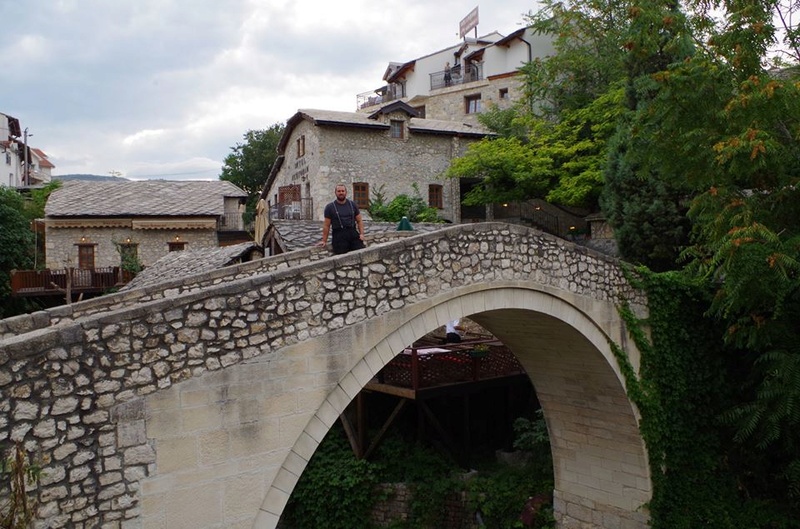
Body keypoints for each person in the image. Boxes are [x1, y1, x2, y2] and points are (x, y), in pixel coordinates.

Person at [319, 183, 366, 255]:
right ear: (335, 193)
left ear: (346, 192)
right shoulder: (329, 207)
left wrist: (362, 234)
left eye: (343, 191)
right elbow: (326, 225)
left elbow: (359, 221)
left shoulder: (353, 204)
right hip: (339, 235)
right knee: (341, 257)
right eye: (339, 191)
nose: (341, 193)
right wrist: (324, 240)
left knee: (361, 253)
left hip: (352, 233)